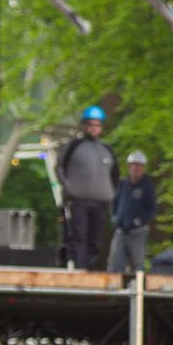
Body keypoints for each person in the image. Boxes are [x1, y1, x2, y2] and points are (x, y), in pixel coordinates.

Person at [54, 105, 118, 271]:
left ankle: (91, 267)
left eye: (97, 125)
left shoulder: (107, 150)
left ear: (101, 128)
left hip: (100, 203)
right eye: (90, 124)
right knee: (79, 236)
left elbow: (115, 174)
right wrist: (68, 186)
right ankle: (81, 269)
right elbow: (60, 165)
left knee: (95, 239)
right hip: (79, 201)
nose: (93, 128)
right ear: (84, 126)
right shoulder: (74, 146)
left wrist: (111, 192)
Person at [108, 151, 157, 275]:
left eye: (139, 166)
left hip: (138, 232)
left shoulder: (147, 186)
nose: (136, 169)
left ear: (143, 168)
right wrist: (115, 218)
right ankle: (115, 292)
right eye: (134, 165)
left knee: (137, 265)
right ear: (129, 166)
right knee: (115, 264)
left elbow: (152, 209)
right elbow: (114, 202)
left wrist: (139, 221)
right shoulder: (122, 184)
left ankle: (138, 291)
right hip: (120, 231)